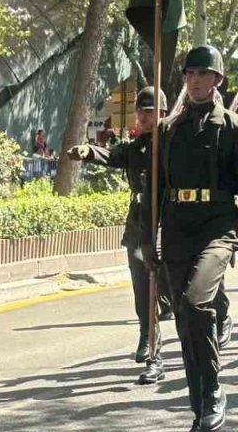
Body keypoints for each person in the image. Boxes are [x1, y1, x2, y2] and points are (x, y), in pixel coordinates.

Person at [142, 45, 238, 432]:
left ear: (217, 80)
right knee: (185, 319)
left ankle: (214, 393)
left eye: (203, 74)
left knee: (197, 302)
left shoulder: (236, 127)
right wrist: (148, 241)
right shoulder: (168, 129)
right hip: (178, 229)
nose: (195, 81)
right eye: (189, 74)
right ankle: (201, 409)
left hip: (217, 227)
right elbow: (153, 190)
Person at [66, 86, 172, 385]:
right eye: (141, 111)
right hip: (139, 223)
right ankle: (150, 344)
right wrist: (89, 151)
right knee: (143, 286)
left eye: (150, 112)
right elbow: (114, 155)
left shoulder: (173, 143)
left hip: (169, 221)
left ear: (163, 113)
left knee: (175, 291)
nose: (144, 116)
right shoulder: (136, 147)